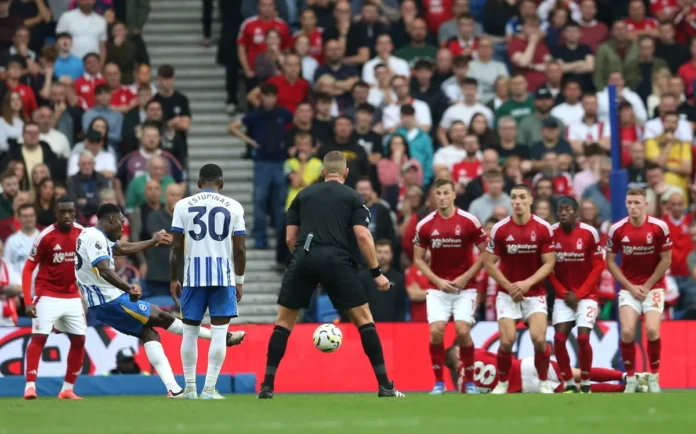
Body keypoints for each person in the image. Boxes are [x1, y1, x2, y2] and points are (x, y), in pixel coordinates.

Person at [258, 151, 404, 399]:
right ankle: (385, 386)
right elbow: (362, 236)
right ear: (346, 173)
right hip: (336, 259)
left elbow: (290, 238)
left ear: (323, 173)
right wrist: (377, 272)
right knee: (364, 320)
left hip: (304, 256)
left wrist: (306, 263)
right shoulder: (352, 197)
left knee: (283, 322)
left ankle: (267, 387)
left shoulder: (303, 194)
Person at [76, 202, 245, 398]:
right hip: (109, 300)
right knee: (161, 316)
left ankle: (174, 389)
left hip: (101, 303)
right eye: (122, 223)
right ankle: (221, 338)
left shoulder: (90, 235)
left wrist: (152, 241)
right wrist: (127, 287)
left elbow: (120, 248)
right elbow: (104, 268)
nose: (123, 228)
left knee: (150, 334)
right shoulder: (96, 238)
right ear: (112, 219)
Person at [169, 164, 247, 400]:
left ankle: (190, 388)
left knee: (190, 333)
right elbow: (240, 249)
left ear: (199, 183)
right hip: (223, 278)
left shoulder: (183, 205)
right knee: (219, 332)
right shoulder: (234, 206)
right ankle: (209, 389)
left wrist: (174, 278)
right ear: (221, 183)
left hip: (193, 278)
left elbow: (175, 248)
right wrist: (239, 281)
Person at [413, 178, 488, 394]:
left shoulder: (469, 221)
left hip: (465, 287)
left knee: (463, 331)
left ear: (454, 194)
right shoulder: (425, 224)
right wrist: (437, 281)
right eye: (439, 194)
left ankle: (471, 381)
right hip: (439, 288)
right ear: (434, 196)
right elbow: (418, 259)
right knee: (436, 332)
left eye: (446, 193)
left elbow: (486, 253)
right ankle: (439, 382)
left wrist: (466, 277)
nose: (442, 197)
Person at [483, 184, 556, 394]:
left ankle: (543, 382)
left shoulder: (543, 228)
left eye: (522, 197)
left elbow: (549, 263)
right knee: (507, 341)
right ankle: (503, 382)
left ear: (530, 200)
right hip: (508, 294)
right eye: (514, 197)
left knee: (539, 339)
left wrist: (527, 283)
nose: (517, 201)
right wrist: (508, 285)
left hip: (534, 293)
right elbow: (488, 262)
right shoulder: (500, 229)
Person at [606, 187, 671, 393]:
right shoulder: (617, 229)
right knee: (626, 331)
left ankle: (653, 376)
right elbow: (610, 261)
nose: (632, 207)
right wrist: (629, 286)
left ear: (646, 204)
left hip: (653, 287)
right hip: (629, 287)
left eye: (636, 203)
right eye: (629, 203)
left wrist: (647, 285)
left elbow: (666, 259)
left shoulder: (659, 227)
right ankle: (632, 378)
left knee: (652, 329)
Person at [22, 198, 86, 400]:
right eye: (62, 212)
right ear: (55, 214)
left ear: (75, 213)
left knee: (80, 340)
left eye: (70, 212)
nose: (67, 216)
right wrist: (27, 301)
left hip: (72, 295)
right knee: (39, 337)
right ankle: (30, 386)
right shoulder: (45, 237)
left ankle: (67, 389)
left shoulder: (81, 233)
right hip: (47, 293)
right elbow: (28, 268)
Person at [547, 196, 604, 394]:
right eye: (559, 210)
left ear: (575, 212)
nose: (562, 213)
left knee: (582, 339)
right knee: (560, 339)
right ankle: (569, 382)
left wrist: (579, 294)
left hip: (586, 296)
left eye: (567, 209)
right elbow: (548, 269)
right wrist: (564, 293)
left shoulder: (590, 233)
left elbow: (598, 266)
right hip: (563, 296)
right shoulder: (551, 234)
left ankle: (586, 380)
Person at [446, 346, 632, 394]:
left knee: (575, 390)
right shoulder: (476, 353)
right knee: (577, 373)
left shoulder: (463, 388)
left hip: (524, 387)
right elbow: (500, 360)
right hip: (524, 366)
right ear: (459, 356)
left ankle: (624, 390)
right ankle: (626, 376)